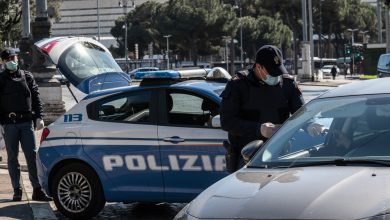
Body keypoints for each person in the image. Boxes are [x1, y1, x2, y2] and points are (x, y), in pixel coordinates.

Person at [220, 45, 304, 172]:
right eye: (272, 72)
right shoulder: (238, 85)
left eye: (278, 72)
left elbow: (301, 114)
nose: (276, 76)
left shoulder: (287, 83)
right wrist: (259, 129)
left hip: (281, 153)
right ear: (258, 67)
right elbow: (227, 121)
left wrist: (311, 124)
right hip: (248, 156)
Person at [0, 48, 51, 201]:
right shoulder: (0, 79)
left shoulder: (27, 77)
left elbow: (36, 98)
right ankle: (17, 189)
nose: (12, 61)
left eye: (14, 58)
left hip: (27, 123)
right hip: (9, 124)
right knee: (12, 158)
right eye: (8, 59)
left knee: (32, 156)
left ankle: (37, 189)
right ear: (3, 62)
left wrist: (39, 117)